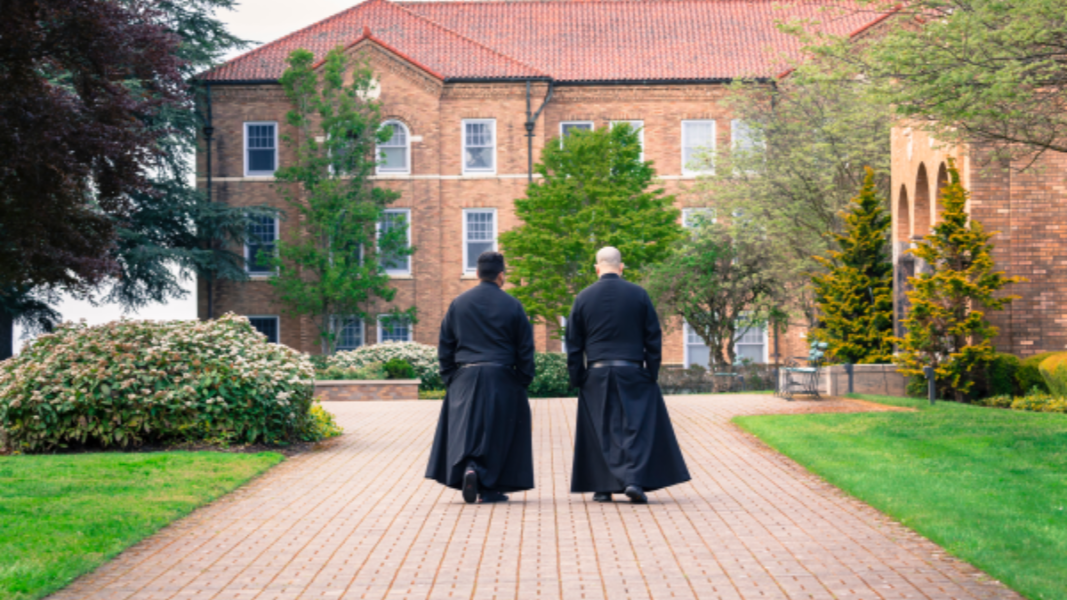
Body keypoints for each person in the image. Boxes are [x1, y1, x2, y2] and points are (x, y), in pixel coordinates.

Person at [566, 246, 690, 504]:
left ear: (597, 268)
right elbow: (653, 337)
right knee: (635, 427)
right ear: (621, 267)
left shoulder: (583, 298)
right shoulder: (639, 294)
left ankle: (602, 487)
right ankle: (633, 480)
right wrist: (651, 372)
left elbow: (574, 343)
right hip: (632, 370)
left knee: (599, 428)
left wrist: (578, 377)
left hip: (597, 372)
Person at [426, 251, 536, 503]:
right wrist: (522, 379)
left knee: (468, 429)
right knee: (498, 432)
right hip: (502, 374)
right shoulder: (513, 305)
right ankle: (490, 488)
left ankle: (471, 468)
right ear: (501, 275)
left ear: (477, 273)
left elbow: (445, 344)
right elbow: (525, 348)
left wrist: (450, 377)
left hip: (466, 374)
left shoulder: (459, 303)